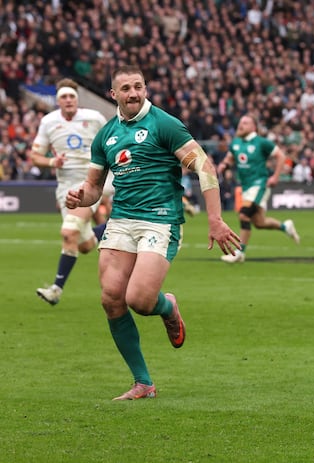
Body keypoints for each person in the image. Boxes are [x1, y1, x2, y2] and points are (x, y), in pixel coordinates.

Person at [64, 65, 241, 400]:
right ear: (113, 95)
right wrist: (80, 197)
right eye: (126, 88)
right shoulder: (106, 136)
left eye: (139, 86)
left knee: (140, 300)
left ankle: (167, 307)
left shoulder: (164, 124)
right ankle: (143, 382)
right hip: (121, 222)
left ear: (145, 88)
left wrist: (215, 219)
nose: (134, 93)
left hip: (160, 220)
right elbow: (92, 188)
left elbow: (204, 165)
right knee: (111, 298)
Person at [30, 78, 108, 305]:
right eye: (64, 97)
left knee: (69, 230)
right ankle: (113, 225)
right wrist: (53, 161)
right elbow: (35, 157)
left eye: (72, 96)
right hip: (65, 187)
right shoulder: (48, 122)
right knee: (83, 245)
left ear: (77, 99)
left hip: (90, 183)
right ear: (58, 101)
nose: (68, 100)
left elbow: (112, 142)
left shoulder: (94, 118)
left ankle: (55, 289)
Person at [217, 114, 300, 263]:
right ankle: (285, 227)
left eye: (245, 123)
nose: (240, 125)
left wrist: (275, 176)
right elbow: (229, 159)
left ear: (253, 127)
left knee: (243, 214)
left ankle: (240, 253)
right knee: (259, 223)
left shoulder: (261, 142)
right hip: (246, 186)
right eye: (240, 122)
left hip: (259, 184)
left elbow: (281, 156)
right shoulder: (235, 143)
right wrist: (224, 165)